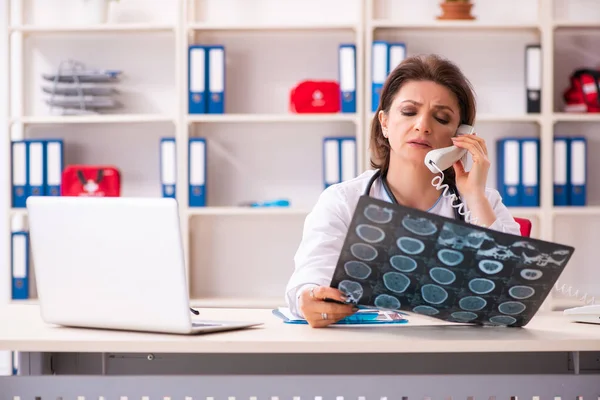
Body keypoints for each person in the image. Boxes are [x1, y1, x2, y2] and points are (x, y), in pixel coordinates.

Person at [285, 53, 523, 328]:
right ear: (384, 123)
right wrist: (310, 298)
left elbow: (515, 296)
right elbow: (305, 284)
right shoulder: (342, 200)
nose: (423, 125)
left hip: (459, 353)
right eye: (409, 112)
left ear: (462, 135)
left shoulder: (483, 201)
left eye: (442, 118)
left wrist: (475, 198)